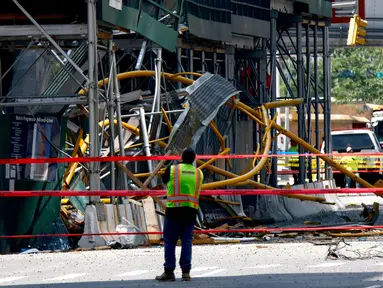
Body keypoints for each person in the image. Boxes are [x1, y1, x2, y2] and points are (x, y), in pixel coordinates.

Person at [155, 147, 204, 282]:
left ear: (181, 157)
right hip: (190, 212)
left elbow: (164, 181)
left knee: (170, 241)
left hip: (174, 211)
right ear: (194, 159)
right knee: (187, 241)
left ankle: (169, 271)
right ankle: (186, 272)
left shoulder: (173, 170)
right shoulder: (199, 173)